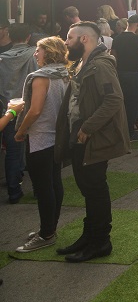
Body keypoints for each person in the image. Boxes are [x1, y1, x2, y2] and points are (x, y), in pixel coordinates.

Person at [54, 21, 129, 262]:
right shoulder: (83, 63)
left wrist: (87, 127)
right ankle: (89, 237)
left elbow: (113, 99)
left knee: (94, 188)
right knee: (88, 188)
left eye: (69, 37)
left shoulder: (100, 65)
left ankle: (100, 242)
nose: (65, 42)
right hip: (82, 135)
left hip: (93, 137)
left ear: (84, 39)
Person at [13, 37, 70, 252]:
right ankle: (49, 228)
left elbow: (35, 110)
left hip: (40, 138)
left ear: (50, 52)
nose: (36, 54)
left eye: (39, 50)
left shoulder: (40, 77)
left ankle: (46, 234)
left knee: (44, 187)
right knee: (54, 182)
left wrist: (20, 131)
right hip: (59, 137)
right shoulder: (64, 74)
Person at [0, 23, 37, 203]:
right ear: (28, 36)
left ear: (10, 36)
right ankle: (37, 187)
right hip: (30, 105)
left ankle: (14, 190)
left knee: (12, 150)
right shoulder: (35, 55)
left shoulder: (2, 58)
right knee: (34, 147)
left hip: (7, 107)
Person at [111, 15, 138, 142]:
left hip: (120, 73)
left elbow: (113, 56)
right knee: (132, 103)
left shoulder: (117, 38)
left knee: (122, 102)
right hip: (134, 73)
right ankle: (130, 132)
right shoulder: (137, 39)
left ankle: (121, 130)